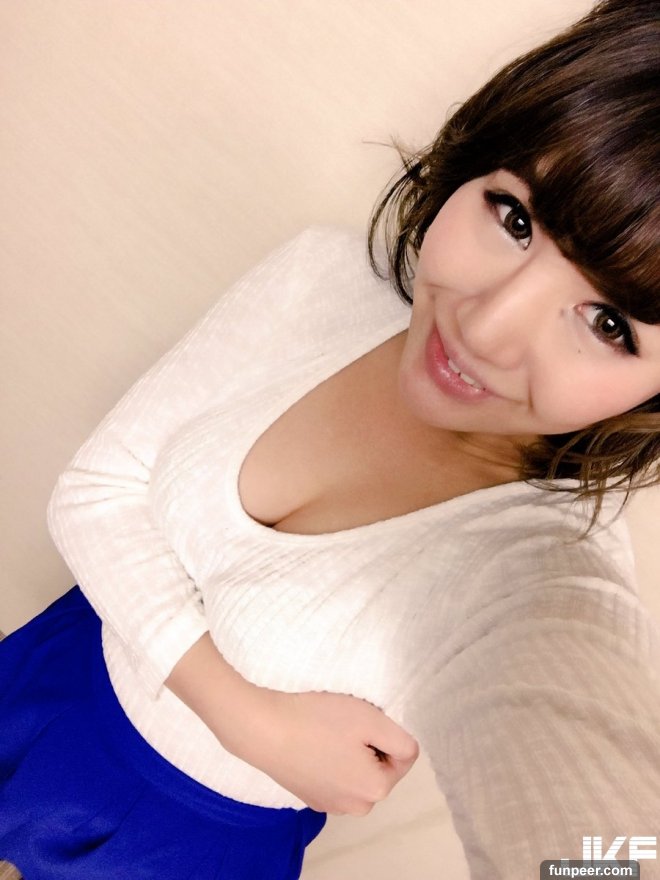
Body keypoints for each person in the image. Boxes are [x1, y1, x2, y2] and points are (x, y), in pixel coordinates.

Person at [1, 0, 659, 877]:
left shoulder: (543, 570)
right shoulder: (322, 280)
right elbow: (92, 494)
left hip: (191, 843)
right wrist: (251, 720)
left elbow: (600, 837)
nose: (488, 328)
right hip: (57, 668)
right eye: (514, 218)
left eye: (610, 322)